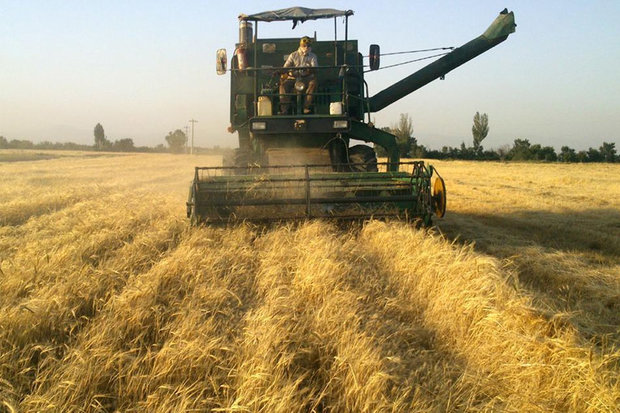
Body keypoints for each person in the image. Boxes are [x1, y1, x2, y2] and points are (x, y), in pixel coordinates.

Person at [279, 36, 318, 114]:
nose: (306, 47)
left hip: (306, 78)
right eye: (304, 45)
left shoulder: (313, 56)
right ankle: (284, 109)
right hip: (293, 78)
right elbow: (286, 67)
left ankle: (306, 107)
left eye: (308, 46)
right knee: (283, 85)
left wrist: (309, 70)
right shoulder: (293, 55)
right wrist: (287, 71)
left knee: (313, 83)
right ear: (300, 46)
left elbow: (315, 68)